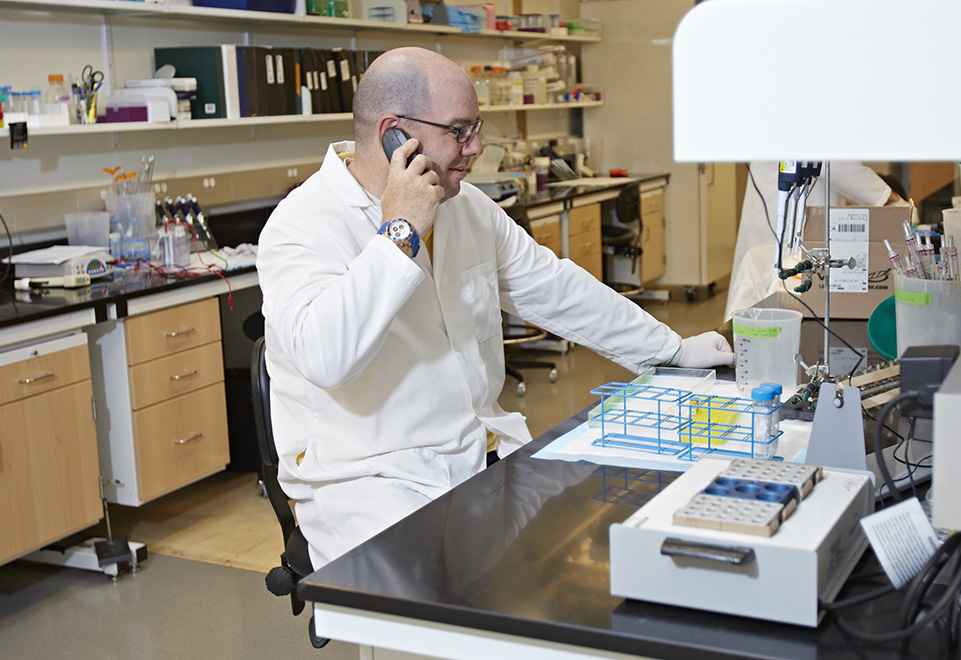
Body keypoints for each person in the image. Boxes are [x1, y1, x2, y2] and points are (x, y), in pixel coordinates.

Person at [256, 47, 734, 569]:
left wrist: (672, 350)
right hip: (367, 482)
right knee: (466, 611)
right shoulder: (301, 225)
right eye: (459, 130)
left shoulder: (467, 208)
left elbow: (557, 289)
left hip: (477, 456)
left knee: (602, 539)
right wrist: (401, 232)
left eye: (476, 127)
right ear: (394, 133)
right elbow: (328, 356)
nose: (476, 146)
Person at [724, 162, 905, 321]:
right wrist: (896, 202)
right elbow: (833, 165)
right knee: (771, 297)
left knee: (770, 297)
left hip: (796, 226)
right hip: (786, 226)